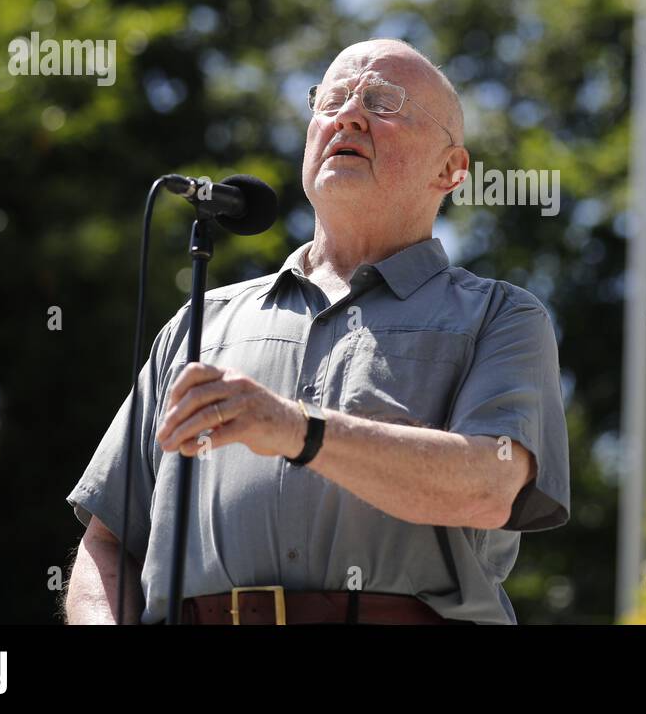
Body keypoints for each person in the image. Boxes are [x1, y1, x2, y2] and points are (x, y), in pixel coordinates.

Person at [63, 39, 570, 624]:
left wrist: (296, 430)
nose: (348, 115)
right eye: (331, 100)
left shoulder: (499, 317)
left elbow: (489, 486)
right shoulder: (201, 322)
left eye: (383, 102)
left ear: (451, 170)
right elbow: (108, 541)